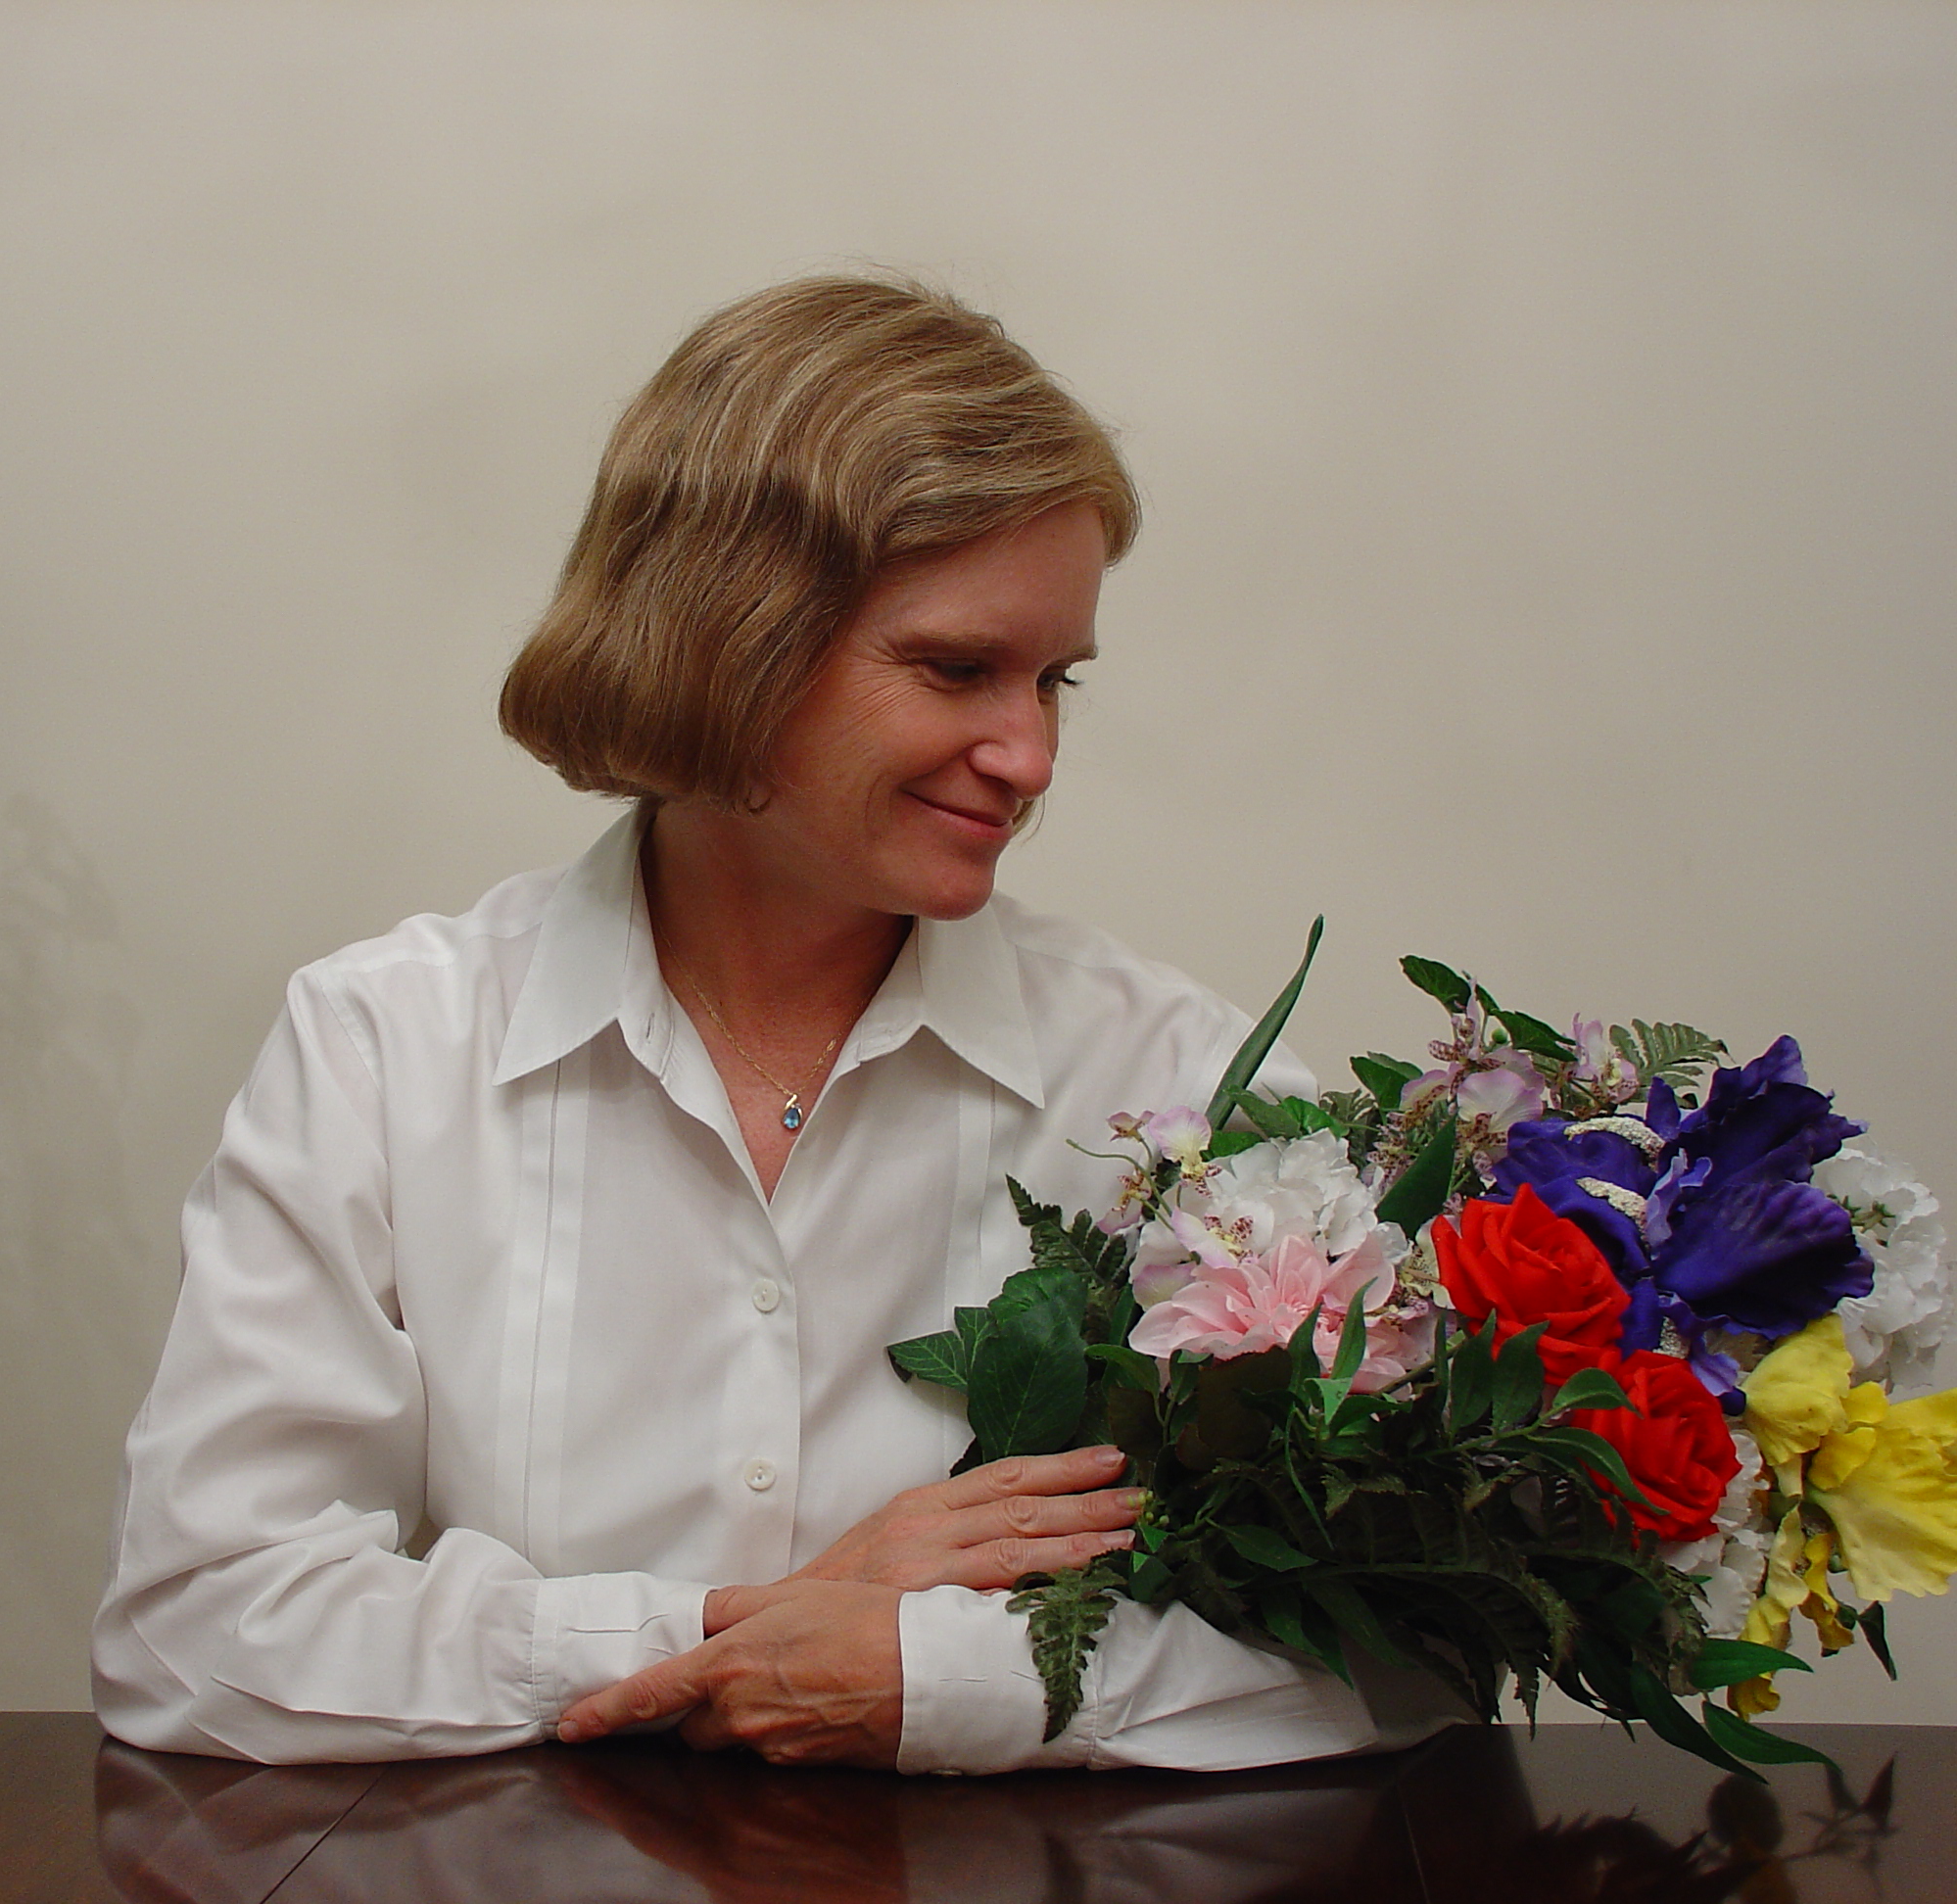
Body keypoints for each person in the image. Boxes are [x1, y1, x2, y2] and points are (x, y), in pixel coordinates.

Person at [91, 276, 1460, 1772]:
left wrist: (939, 1679)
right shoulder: (387, 1046)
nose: (1031, 756)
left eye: (1053, 680)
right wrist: (727, 1633)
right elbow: (195, 1631)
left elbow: (1420, 1647)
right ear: (725, 639)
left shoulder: (1167, 1077)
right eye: (957, 669)